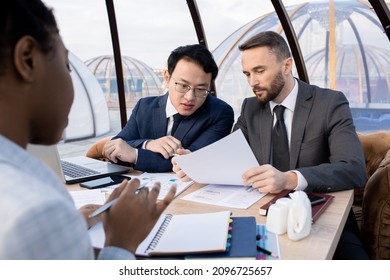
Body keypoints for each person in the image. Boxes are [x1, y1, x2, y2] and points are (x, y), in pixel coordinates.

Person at [0, 0, 175, 260]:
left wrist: (67, 228)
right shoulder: (39, 213)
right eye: (67, 66)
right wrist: (121, 243)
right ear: (27, 59)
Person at [173, 31, 368, 259]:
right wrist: (195, 162)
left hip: (323, 219)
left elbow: (353, 169)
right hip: (261, 217)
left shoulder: (329, 103)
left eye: (259, 71)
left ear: (286, 66)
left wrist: (289, 179)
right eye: (247, 73)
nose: (252, 82)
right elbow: (229, 155)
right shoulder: (250, 108)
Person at [103, 44, 234, 172]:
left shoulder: (220, 113)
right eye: (183, 85)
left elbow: (192, 160)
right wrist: (149, 144)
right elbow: (114, 148)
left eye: (201, 89)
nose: (190, 97)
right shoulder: (144, 107)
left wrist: (135, 154)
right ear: (166, 77)